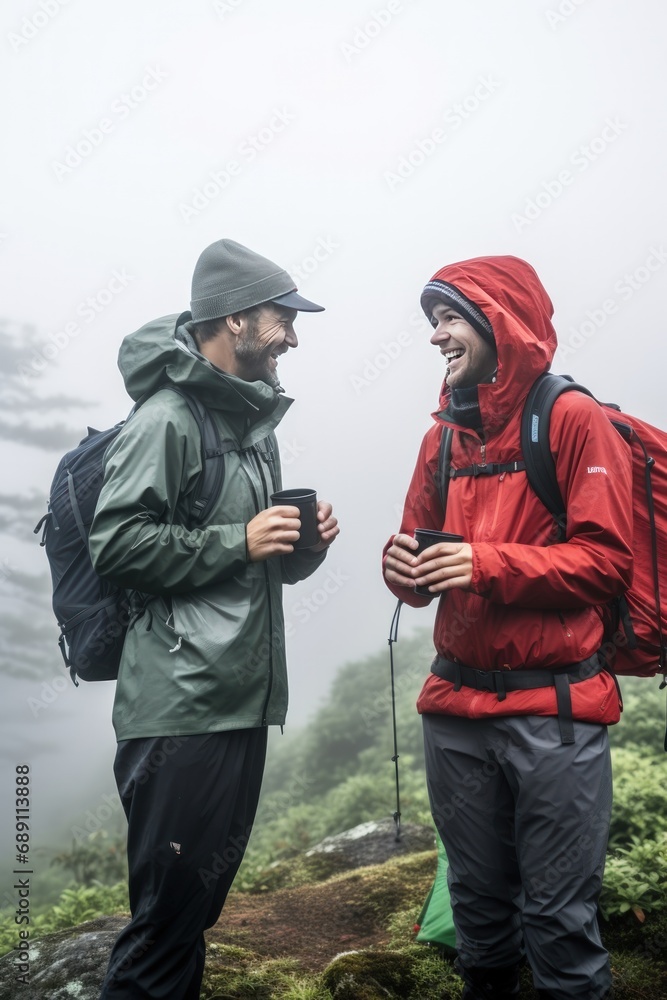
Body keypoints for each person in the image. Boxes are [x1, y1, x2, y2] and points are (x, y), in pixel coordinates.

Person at [89, 238, 339, 999]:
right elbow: (116, 542)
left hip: (234, 698)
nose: (293, 336)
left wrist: (301, 547)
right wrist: (239, 539)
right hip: (178, 711)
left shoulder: (251, 426)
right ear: (233, 319)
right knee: (165, 921)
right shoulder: (166, 418)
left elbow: (252, 562)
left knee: (192, 914)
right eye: (283, 318)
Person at [383, 255, 632, 1000]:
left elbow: (605, 563)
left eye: (450, 319)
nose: (436, 337)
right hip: (453, 713)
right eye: (433, 323)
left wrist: (482, 564)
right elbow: (421, 575)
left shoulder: (572, 420)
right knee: (478, 915)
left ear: (502, 322)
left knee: (558, 919)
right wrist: (402, 568)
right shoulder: (442, 438)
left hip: (552, 711)